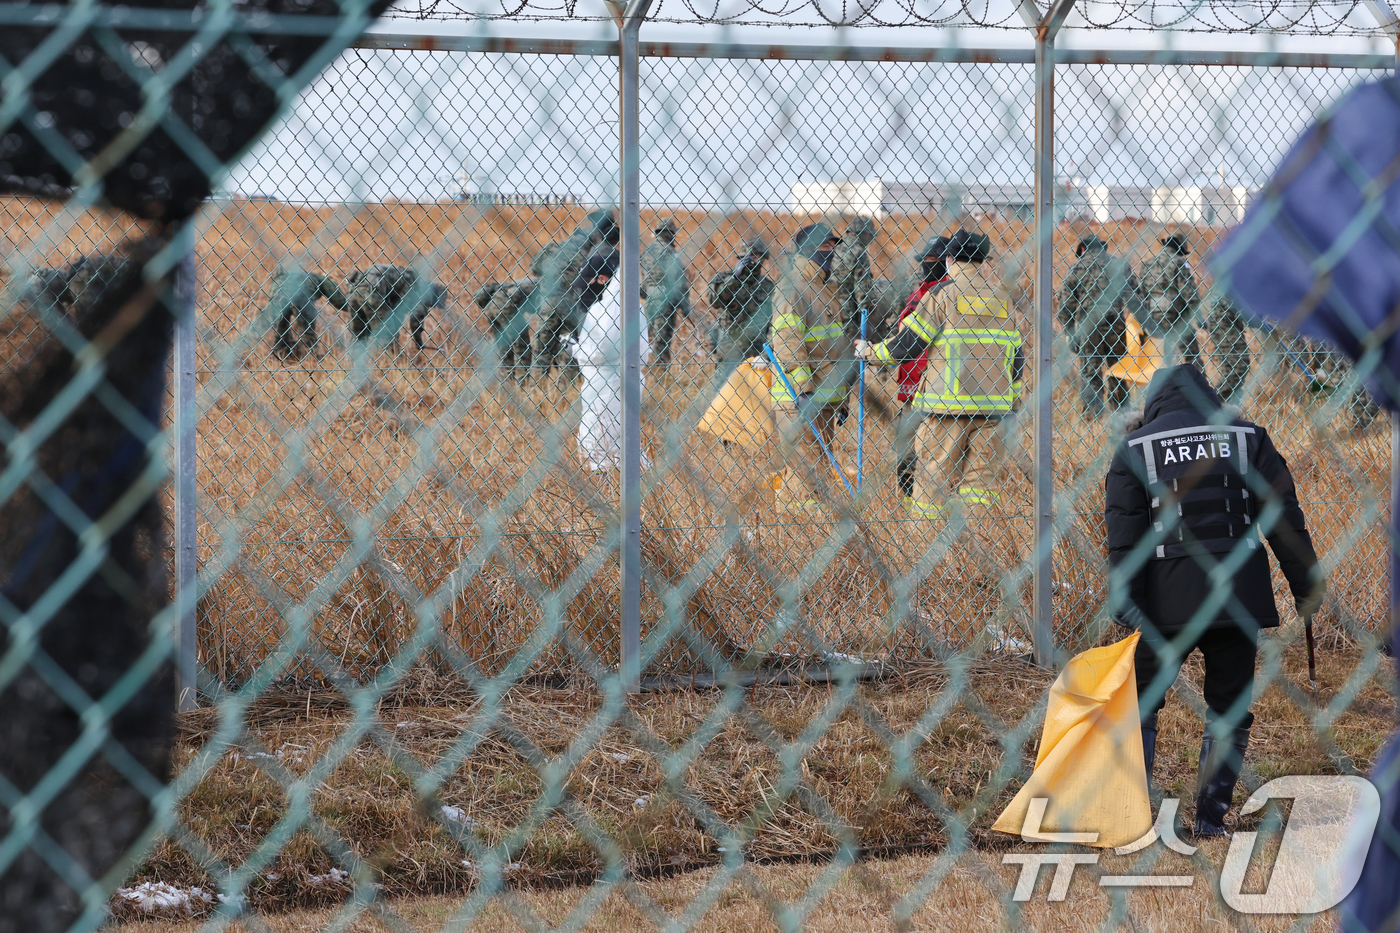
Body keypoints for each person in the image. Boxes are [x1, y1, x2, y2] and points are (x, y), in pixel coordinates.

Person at [1105, 363, 1325, 837]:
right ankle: (1210, 821)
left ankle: (1134, 818)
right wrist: (1305, 585)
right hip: (1237, 601)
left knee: (1140, 704)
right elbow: (1283, 516)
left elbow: (1126, 536)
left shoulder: (1135, 449)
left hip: (1165, 604)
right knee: (1228, 706)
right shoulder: (1247, 439)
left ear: (1155, 403)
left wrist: (1128, 603)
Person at [855, 229, 1024, 516]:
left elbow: (909, 344)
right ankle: (976, 551)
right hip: (995, 411)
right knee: (979, 490)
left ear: (949, 259)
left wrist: (869, 352)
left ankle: (923, 544)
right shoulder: (1002, 297)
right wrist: (1013, 402)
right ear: (984, 260)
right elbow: (1016, 357)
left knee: (930, 489)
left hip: (947, 409)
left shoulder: (942, 294)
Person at [767, 222, 851, 512]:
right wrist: (802, 393)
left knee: (818, 462)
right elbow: (788, 341)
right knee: (807, 470)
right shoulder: (793, 287)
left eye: (832, 246)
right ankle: (800, 527)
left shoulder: (825, 288)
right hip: (800, 400)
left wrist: (842, 396)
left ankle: (804, 520)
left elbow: (834, 345)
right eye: (823, 246)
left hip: (825, 398)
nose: (829, 252)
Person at [891, 235, 951, 503]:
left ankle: (924, 505)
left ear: (948, 261)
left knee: (929, 454)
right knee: (908, 453)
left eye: (933, 261)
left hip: (935, 389)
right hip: (912, 384)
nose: (928, 265)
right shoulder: (919, 293)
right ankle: (909, 502)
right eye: (925, 261)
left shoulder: (948, 294)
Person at [1057, 235, 1143, 418]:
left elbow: (1066, 307)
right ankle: (1121, 411)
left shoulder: (1077, 268)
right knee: (1118, 369)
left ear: (1082, 249)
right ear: (1103, 248)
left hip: (1088, 325)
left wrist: (1070, 333)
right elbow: (1136, 300)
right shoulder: (1119, 265)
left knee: (1090, 369)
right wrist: (1144, 327)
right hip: (1115, 323)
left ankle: (1092, 413)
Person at [572, 274, 651, 473]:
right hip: (629, 377)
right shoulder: (637, 308)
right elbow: (643, 351)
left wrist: (575, 349)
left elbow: (602, 349)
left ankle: (605, 485)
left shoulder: (604, 309)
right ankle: (639, 483)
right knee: (623, 435)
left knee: (597, 436)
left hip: (603, 381)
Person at [533, 209, 616, 375]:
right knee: (570, 349)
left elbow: (535, 269)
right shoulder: (591, 253)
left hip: (548, 302)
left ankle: (536, 386)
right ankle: (566, 388)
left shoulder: (553, 248)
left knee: (541, 350)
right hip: (572, 305)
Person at [344, 264, 447, 353]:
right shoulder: (422, 292)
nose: (431, 306)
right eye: (435, 304)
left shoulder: (411, 280)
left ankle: (352, 365)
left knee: (358, 334)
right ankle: (393, 363)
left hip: (355, 285)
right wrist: (419, 342)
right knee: (389, 333)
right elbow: (416, 320)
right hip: (375, 288)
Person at [1138, 233, 1202, 367]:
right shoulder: (1179, 262)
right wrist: (1199, 317)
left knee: (1161, 358)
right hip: (1175, 316)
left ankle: (1164, 383)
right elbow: (1189, 293)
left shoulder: (1147, 264)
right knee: (1192, 355)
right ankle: (1197, 383)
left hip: (1152, 317)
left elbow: (1141, 293)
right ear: (1180, 249)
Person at [707, 237, 774, 363]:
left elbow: (773, 320)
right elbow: (714, 301)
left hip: (757, 349)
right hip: (730, 348)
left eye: (760, 256)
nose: (756, 260)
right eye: (752, 256)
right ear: (743, 257)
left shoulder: (768, 286)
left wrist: (767, 353)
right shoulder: (723, 278)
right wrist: (734, 278)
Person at [267, 263, 348, 361]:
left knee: (280, 332)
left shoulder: (280, 277)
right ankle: (310, 358)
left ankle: (281, 357)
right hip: (302, 297)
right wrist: (353, 307)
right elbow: (339, 300)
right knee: (306, 333)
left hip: (277, 297)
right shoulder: (320, 279)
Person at [640, 217, 691, 368]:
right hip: (666, 299)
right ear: (670, 233)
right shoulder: (671, 252)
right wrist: (685, 305)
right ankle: (660, 374)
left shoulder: (646, 251)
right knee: (662, 339)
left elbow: (643, 277)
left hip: (650, 298)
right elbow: (679, 280)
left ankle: (643, 369)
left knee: (646, 336)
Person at [831, 215, 876, 341]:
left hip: (825, 309)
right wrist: (867, 319)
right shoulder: (858, 252)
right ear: (866, 235)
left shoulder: (833, 246)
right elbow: (863, 292)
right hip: (847, 313)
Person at [1205, 288, 1252, 403]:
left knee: (1236, 367)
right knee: (1238, 366)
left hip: (1228, 318)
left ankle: (1228, 406)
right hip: (1223, 319)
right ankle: (1215, 403)